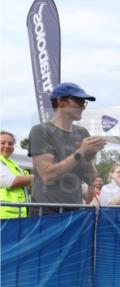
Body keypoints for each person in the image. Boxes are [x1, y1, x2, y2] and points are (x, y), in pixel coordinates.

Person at [28, 82, 105, 214]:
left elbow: (91, 178)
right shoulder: (40, 131)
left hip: (75, 211)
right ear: (60, 101)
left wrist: (88, 157)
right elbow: (47, 175)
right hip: (46, 211)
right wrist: (80, 153)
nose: (82, 106)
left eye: (84, 102)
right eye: (78, 101)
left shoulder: (82, 133)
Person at [0, 131, 32, 219]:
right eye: (2, 143)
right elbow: (9, 182)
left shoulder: (12, 164)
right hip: (4, 217)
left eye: (10, 143)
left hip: (16, 216)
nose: (7, 146)